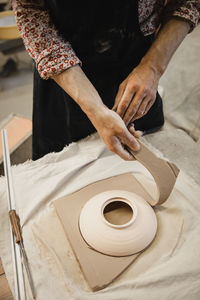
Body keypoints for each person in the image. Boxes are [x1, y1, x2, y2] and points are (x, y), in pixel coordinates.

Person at [11, 0, 200, 161]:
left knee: (141, 162)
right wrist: (95, 109)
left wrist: (153, 67)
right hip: (65, 79)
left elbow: (186, 2)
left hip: (136, 61)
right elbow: (31, 11)